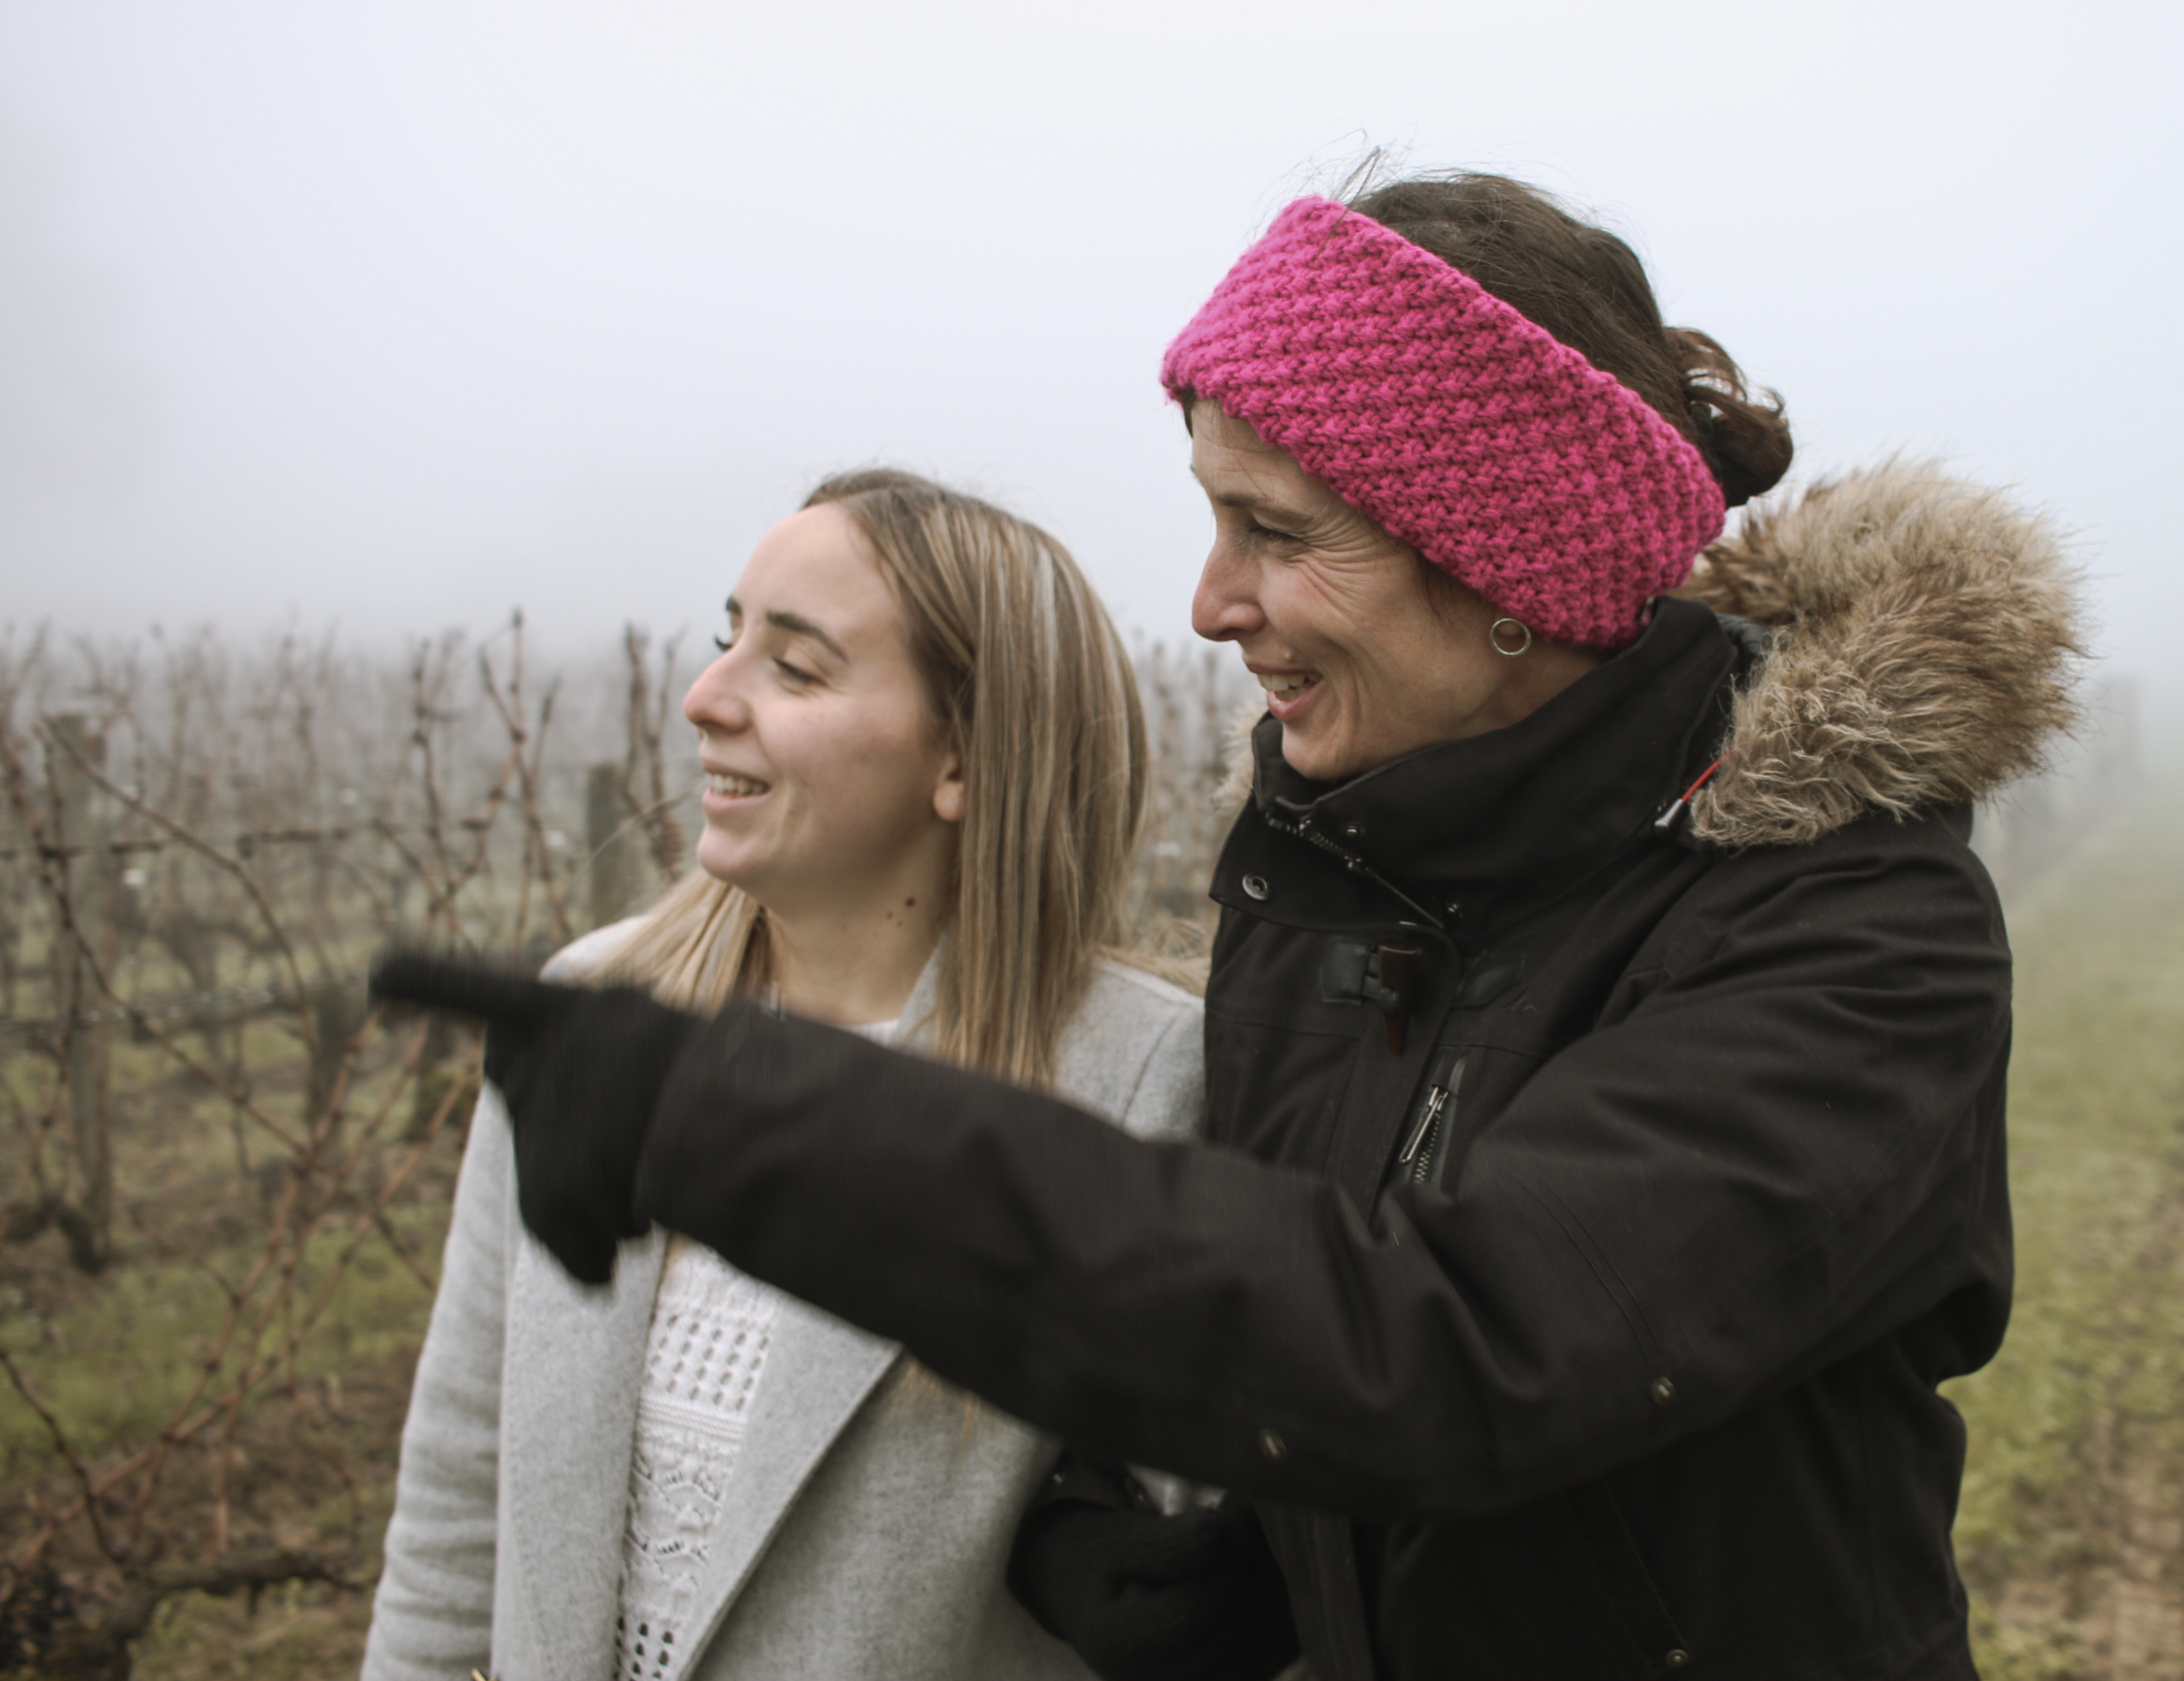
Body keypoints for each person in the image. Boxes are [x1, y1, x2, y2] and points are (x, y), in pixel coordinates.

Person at [379, 173, 2085, 1680]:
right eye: (1212, 516)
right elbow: (1303, 1354)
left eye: (1277, 531)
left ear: (1508, 573)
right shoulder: (1328, 894)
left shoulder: (1851, 930)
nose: (1210, 604)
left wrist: (748, 1117)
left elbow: (1462, 1351)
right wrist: (1196, 1563)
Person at [361, 468, 1209, 1681]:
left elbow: (1185, 1586)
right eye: (727, 640)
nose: (706, 697)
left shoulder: (1145, 1083)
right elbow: (459, 1490)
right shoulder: (595, 1020)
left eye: (796, 668)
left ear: (964, 752)